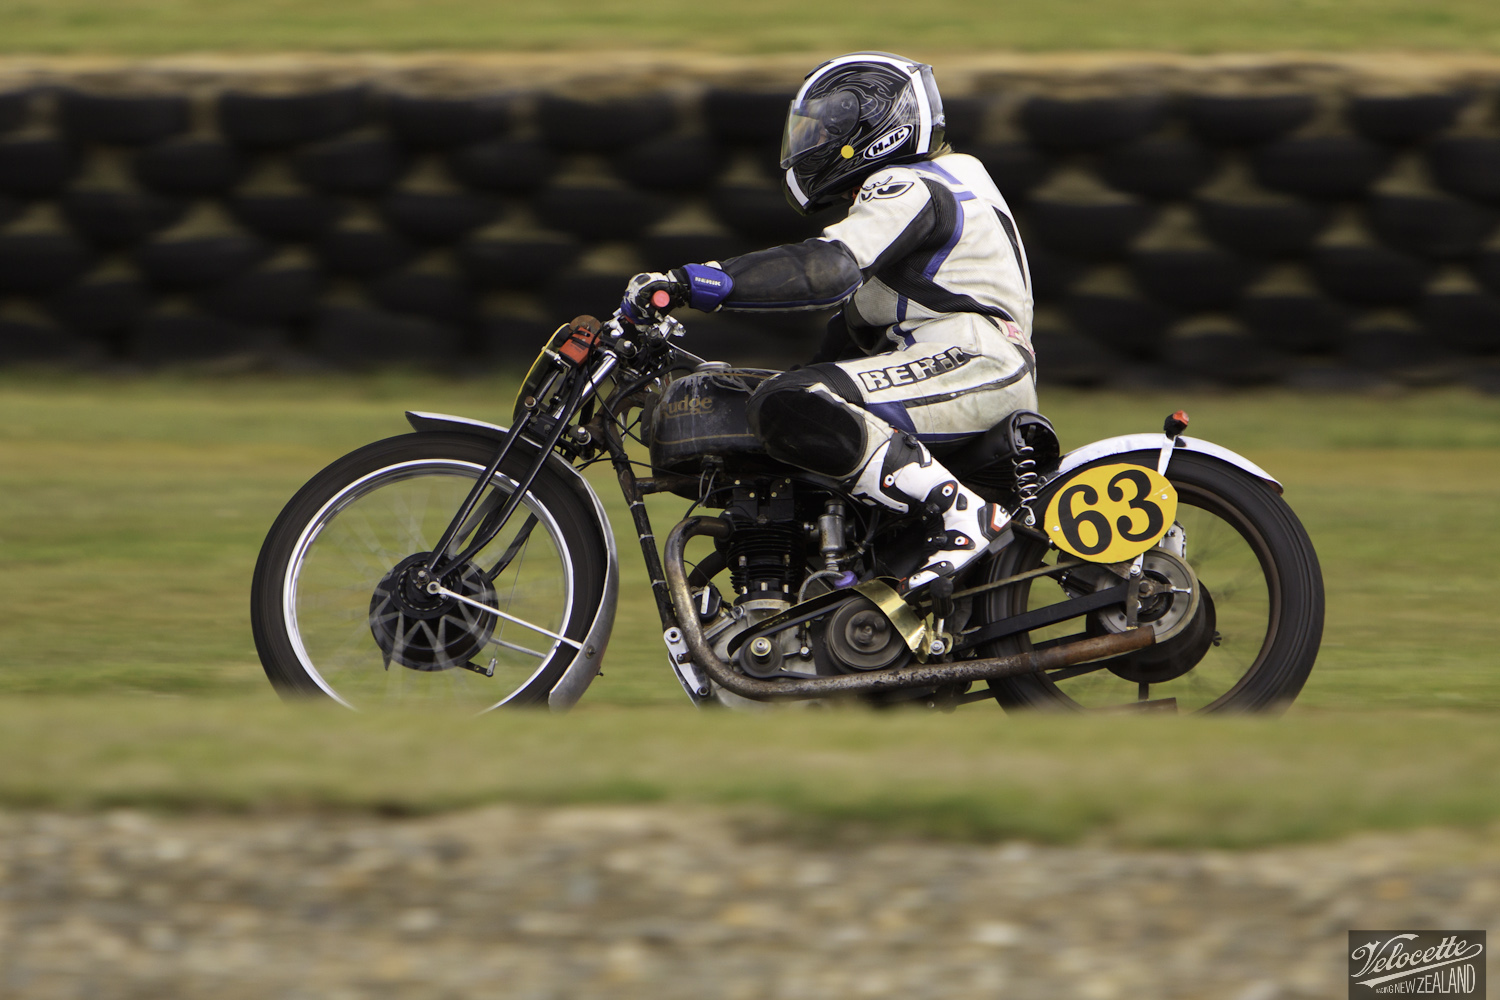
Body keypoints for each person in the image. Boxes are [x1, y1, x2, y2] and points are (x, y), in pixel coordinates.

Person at [623, 51, 1036, 593]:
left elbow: (826, 269)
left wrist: (701, 281)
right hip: (961, 360)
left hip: (972, 358)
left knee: (791, 401)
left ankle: (961, 515)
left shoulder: (913, 184)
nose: (810, 144)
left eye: (825, 130)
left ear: (875, 127)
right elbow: (838, 349)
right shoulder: (913, 223)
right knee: (791, 404)